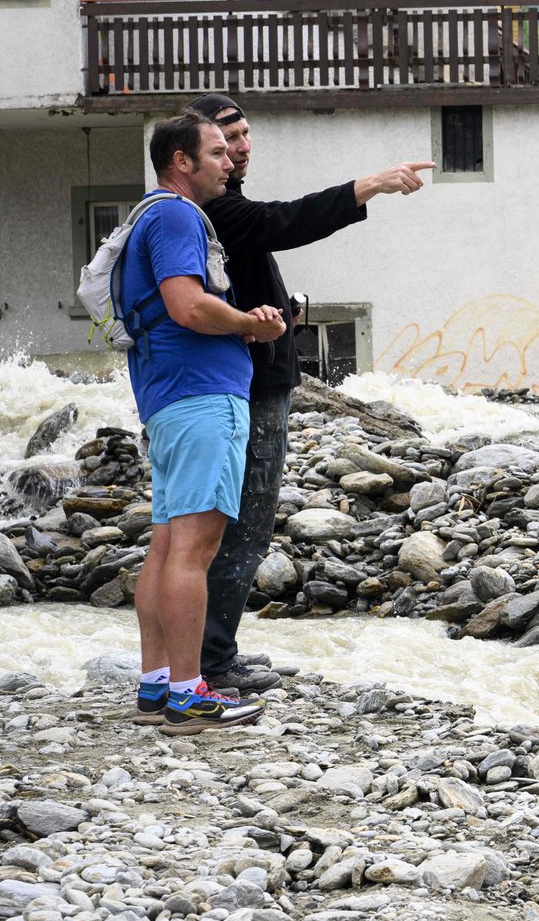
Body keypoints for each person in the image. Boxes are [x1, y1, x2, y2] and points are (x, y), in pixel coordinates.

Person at [181, 93, 433, 694]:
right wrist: (370, 185)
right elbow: (286, 220)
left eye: (242, 138)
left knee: (225, 525)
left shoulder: (214, 207)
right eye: (224, 142)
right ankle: (212, 663)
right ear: (193, 153)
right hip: (250, 385)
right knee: (240, 526)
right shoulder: (215, 210)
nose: (239, 150)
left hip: (246, 379)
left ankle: (205, 658)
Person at [125, 113, 286, 734]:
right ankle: (190, 694)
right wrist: (253, 324)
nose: (230, 161)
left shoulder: (147, 213)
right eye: (217, 152)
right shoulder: (178, 215)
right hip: (204, 396)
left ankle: (157, 682)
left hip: (169, 398)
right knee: (195, 549)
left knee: (167, 544)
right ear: (181, 162)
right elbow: (187, 305)